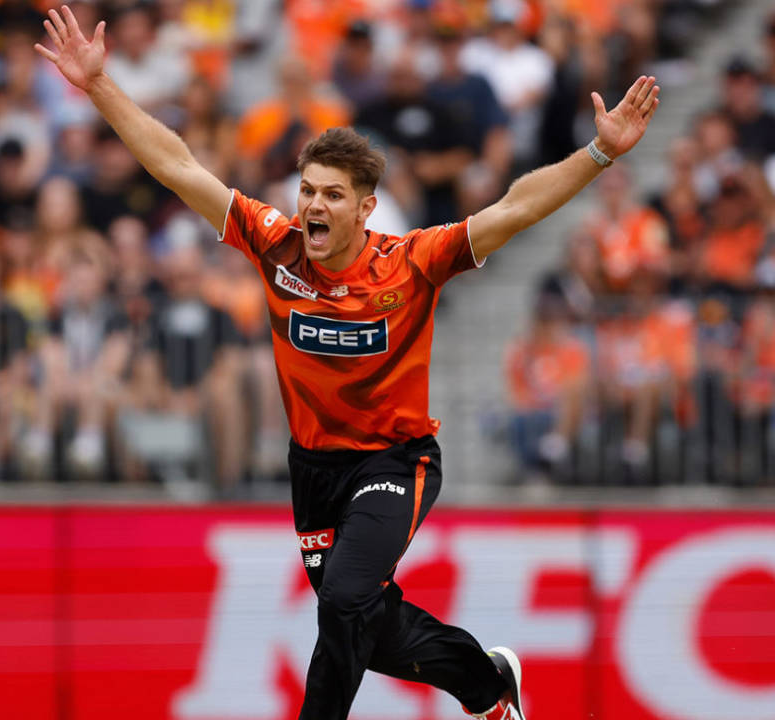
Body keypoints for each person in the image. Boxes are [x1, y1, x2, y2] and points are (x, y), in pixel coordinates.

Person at [35, 7, 660, 719]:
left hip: (395, 462)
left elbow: (513, 209)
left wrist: (600, 154)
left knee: (343, 601)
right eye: (307, 190)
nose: (313, 206)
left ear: (365, 208)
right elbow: (176, 164)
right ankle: (486, 684)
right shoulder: (275, 246)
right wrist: (99, 86)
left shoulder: (411, 262)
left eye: (332, 195)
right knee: (364, 622)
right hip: (315, 470)